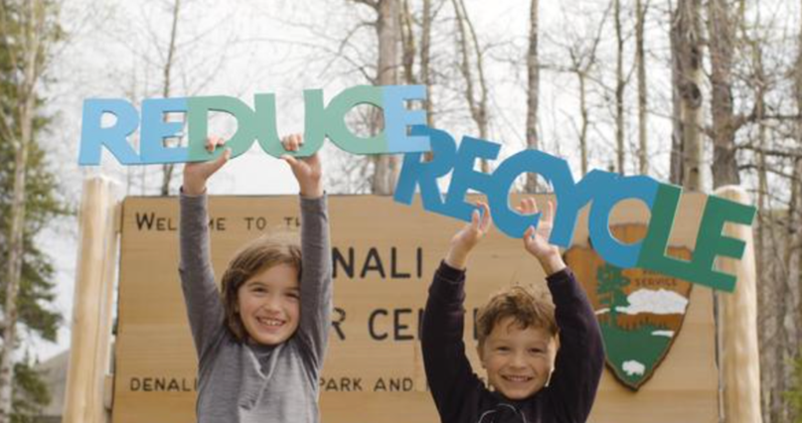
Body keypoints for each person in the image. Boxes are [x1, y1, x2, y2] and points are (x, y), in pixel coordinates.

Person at [179, 134, 331, 423]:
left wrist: (312, 190)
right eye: (259, 290)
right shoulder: (217, 342)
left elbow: (319, 275)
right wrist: (194, 188)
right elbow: (194, 268)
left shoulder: (304, 350)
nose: (274, 306)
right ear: (235, 298)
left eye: (291, 294)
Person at [421, 198, 604, 423]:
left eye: (535, 350)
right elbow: (439, 340)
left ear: (555, 354)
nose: (518, 363)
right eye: (503, 348)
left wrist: (551, 260)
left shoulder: (563, 407)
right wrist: (458, 254)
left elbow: (585, 342)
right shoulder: (464, 403)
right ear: (482, 354)